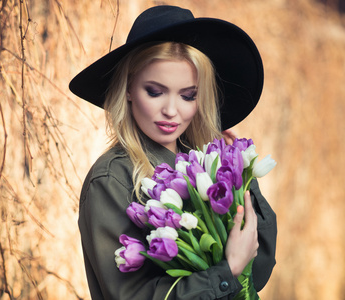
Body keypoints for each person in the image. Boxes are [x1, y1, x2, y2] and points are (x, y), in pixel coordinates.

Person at [70, 5, 277, 300]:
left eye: (187, 95)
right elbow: (130, 296)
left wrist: (239, 171)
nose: (170, 111)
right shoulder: (112, 179)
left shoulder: (208, 168)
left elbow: (259, 272)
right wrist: (225, 271)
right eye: (155, 92)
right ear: (128, 89)